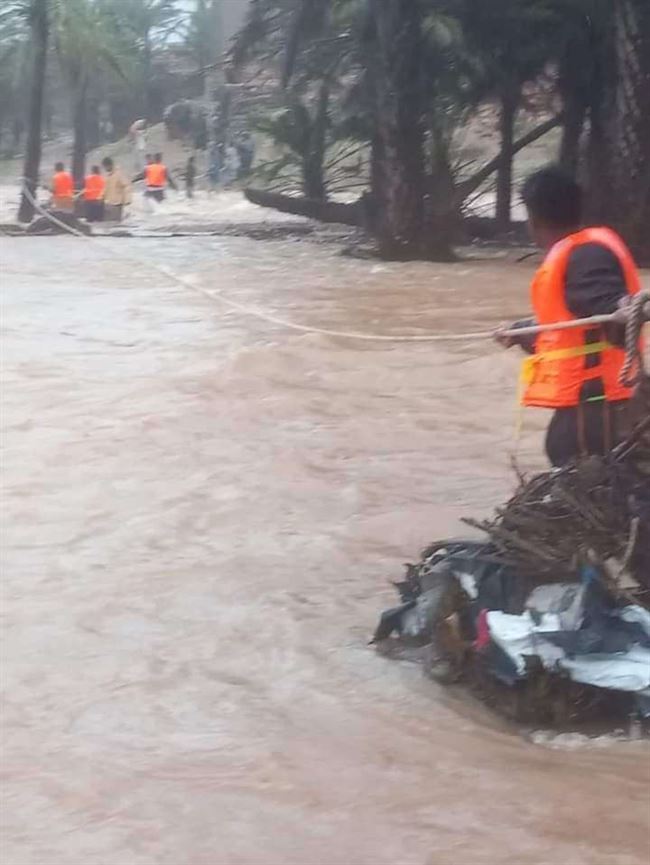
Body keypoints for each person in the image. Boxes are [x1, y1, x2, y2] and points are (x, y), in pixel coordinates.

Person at [496, 165, 641, 467]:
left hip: (597, 402)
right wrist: (521, 331)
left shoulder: (585, 255)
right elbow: (579, 327)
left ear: (533, 219)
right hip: (600, 401)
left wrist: (621, 308)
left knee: (579, 467)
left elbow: (610, 311)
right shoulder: (582, 251)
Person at [101, 157, 132, 222]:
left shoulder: (119, 174)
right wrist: (101, 197)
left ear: (110, 165)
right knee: (109, 222)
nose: (105, 169)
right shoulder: (107, 176)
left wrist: (127, 200)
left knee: (115, 222)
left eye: (105, 167)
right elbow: (105, 188)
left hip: (117, 204)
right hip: (108, 203)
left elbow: (127, 186)